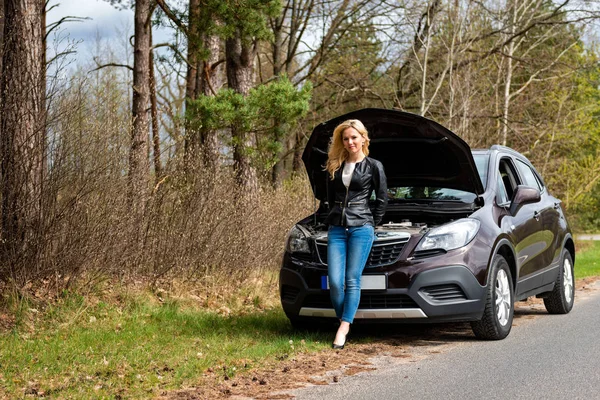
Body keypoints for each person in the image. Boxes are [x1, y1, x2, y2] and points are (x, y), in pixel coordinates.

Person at [324, 119, 388, 349]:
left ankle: (343, 327)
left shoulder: (373, 166)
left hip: (361, 227)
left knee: (352, 279)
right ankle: (346, 320)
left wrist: (371, 222)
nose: (350, 142)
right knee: (334, 281)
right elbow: (331, 199)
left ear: (363, 138)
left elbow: (382, 199)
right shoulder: (335, 165)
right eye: (346, 138)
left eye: (354, 137)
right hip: (337, 230)